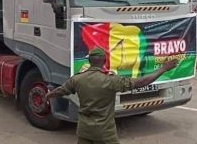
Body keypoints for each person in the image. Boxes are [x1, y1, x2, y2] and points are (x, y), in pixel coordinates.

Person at [45, 47, 178, 144]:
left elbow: (61, 90)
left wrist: (48, 95)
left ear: (90, 61)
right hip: (105, 132)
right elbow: (142, 82)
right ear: (104, 62)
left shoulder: (77, 79)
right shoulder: (111, 81)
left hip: (84, 130)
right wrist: (163, 68)